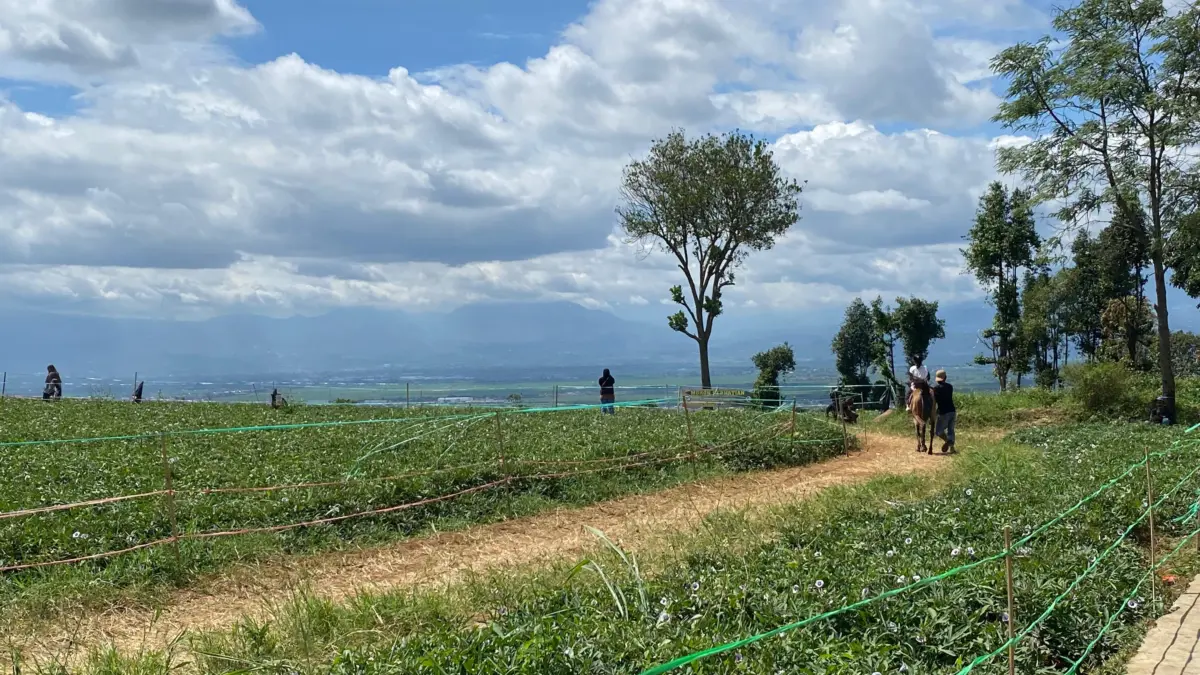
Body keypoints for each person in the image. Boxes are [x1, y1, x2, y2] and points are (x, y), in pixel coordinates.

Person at [932, 369, 956, 453]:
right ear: (945, 378)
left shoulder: (936, 389)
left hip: (943, 412)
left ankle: (947, 441)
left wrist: (933, 413)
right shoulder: (950, 387)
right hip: (952, 411)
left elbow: (934, 402)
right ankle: (952, 448)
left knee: (939, 432)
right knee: (951, 430)